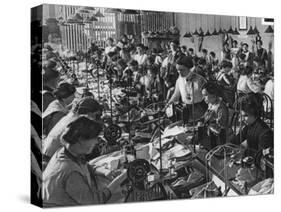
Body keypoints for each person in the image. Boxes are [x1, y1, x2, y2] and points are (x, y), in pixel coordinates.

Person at [43, 116, 127, 207]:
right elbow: (94, 202)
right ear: (80, 140)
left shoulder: (66, 152)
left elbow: (86, 166)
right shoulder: (70, 171)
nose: (96, 142)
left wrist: (106, 172)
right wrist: (117, 182)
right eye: (94, 138)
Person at [43, 97, 103, 167]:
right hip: (52, 161)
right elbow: (79, 147)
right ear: (89, 113)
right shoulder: (75, 123)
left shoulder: (70, 117)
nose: (96, 118)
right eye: (96, 115)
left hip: (51, 156)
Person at [165, 56, 207, 122]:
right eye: (177, 70)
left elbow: (208, 95)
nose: (179, 72)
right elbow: (176, 95)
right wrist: (169, 103)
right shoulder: (179, 80)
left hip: (199, 109)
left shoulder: (200, 79)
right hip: (185, 109)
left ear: (188, 68)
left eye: (182, 70)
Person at [202, 82, 229, 149]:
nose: (203, 98)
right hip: (212, 134)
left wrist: (208, 125)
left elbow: (221, 126)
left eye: (205, 95)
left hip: (220, 139)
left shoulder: (221, 107)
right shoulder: (211, 104)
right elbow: (206, 117)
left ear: (213, 94)